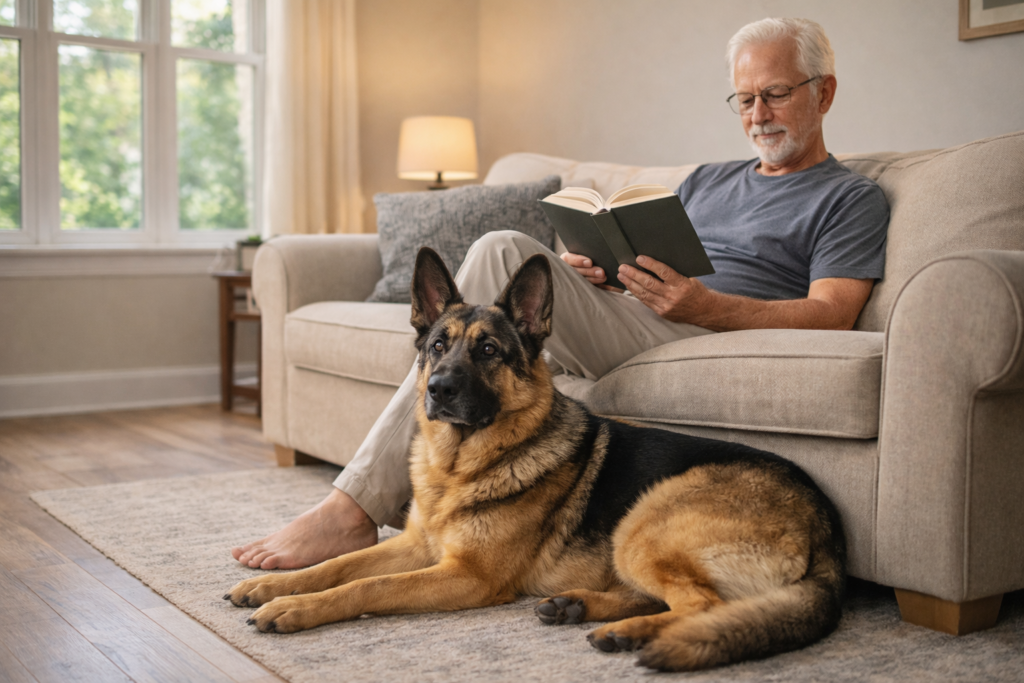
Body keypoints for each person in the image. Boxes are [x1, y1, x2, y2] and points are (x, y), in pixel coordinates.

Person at [232, 17, 889, 570]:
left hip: (707, 328)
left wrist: (705, 306)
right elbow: (651, 259)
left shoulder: (848, 197)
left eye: (773, 94)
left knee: (500, 250)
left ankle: (349, 510)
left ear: (824, 92)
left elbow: (834, 314)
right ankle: (408, 508)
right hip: (639, 316)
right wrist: (599, 272)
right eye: (743, 99)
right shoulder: (710, 180)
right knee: (503, 260)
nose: (757, 115)